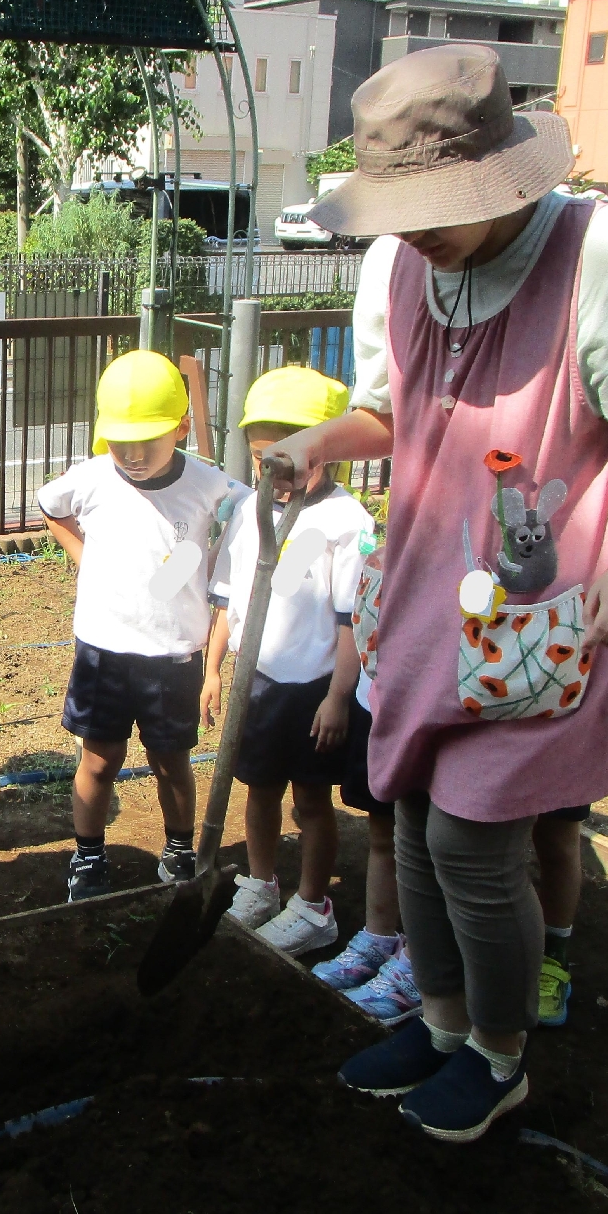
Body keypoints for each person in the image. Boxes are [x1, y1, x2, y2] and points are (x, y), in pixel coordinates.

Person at [272, 43, 608, 1142]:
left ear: (502, 179)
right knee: (417, 816)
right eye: (396, 209)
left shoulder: (604, 257)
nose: (411, 231)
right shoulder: (396, 265)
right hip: (432, 587)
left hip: (552, 608)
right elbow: (397, 415)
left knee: (477, 841)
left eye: (434, 207)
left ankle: (498, 1054)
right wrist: (320, 439)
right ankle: (439, 1027)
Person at [322, 545, 591, 1029]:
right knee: (421, 838)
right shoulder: (422, 529)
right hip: (439, 688)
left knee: (544, 841)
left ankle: (547, 964)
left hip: (543, 675)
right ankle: (432, 993)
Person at [37, 351, 247, 902]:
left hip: (174, 654)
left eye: (146, 441)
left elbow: (249, 523)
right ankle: (88, 856)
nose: (130, 455)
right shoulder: (92, 479)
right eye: (119, 440)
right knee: (98, 759)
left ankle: (179, 849)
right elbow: (51, 506)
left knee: (171, 761)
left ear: (181, 427)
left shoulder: (210, 487)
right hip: (103, 651)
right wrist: (83, 556)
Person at [201, 366, 370, 954]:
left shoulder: (346, 523)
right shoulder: (249, 512)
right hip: (259, 681)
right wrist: (213, 670)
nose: (274, 471)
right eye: (260, 457)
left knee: (310, 799)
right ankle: (260, 882)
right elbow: (229, 599)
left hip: (313, 687)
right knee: (260, 788)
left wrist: (337, 697)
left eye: (289, 458)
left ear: (327, 451)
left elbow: (352, 620)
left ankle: (314, 905)